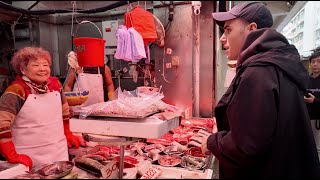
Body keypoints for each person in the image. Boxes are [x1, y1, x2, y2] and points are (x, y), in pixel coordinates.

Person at [200, 2, 320, 179]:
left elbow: (247, 147)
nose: (222, 38)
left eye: (228, 30)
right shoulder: (276, 65)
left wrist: (211, 142)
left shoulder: (258, 72)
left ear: (251, 29)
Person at [0, 47, 80, 170]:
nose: (42, 69)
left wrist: (68, 133)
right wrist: (11, 155)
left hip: (58, 153)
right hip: (29, 158)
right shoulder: (16, 91)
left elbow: (64, 112)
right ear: (23, 69)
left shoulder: (55, 85)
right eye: (36, 65)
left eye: (46, 65)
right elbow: (2, 123)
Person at [304, 48, 320, 160]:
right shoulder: (306, 79)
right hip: (306, 119)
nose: (315, 64)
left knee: (317, 148)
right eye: (313, 62)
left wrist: (315, 101)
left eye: (319, 62)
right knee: (306, 146)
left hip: (318, 122)